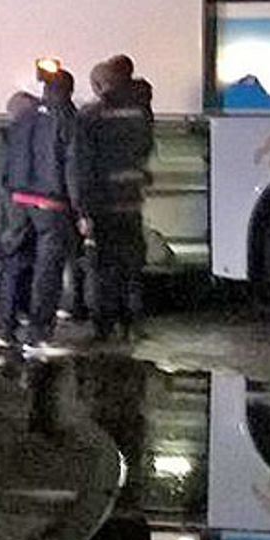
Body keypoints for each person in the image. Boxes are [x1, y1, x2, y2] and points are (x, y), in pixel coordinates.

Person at [71, 56, 155, 343]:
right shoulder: (139, 113)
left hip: (102, 202)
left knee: (103, 266)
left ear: (99, 85)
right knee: (131, 262)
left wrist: (82, 208)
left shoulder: (90, 116)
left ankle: (103, 326)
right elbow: (145, 149)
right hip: (131, 199)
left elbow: (82, 165)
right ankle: (133, 321)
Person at [0, 70, 78, 355]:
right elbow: (72, 167)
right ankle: (37, 335)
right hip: (51, 205)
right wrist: (80, 211)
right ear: (68, 91)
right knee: (47, 271)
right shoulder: (67, 119)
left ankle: (4, 330)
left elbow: (6, 163)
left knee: (14, 264)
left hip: (18, 200)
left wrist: (8, 196)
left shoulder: (23, 117)